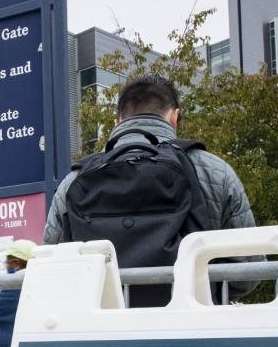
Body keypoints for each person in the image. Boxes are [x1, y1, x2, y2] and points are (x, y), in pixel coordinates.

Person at [43, 74, 260, 306]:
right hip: (191, 330)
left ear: (117, 122)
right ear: (175, 117)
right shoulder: (214, 171)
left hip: (102, 333)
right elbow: (248, 270)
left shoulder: (73, 181)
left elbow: (50, 265)